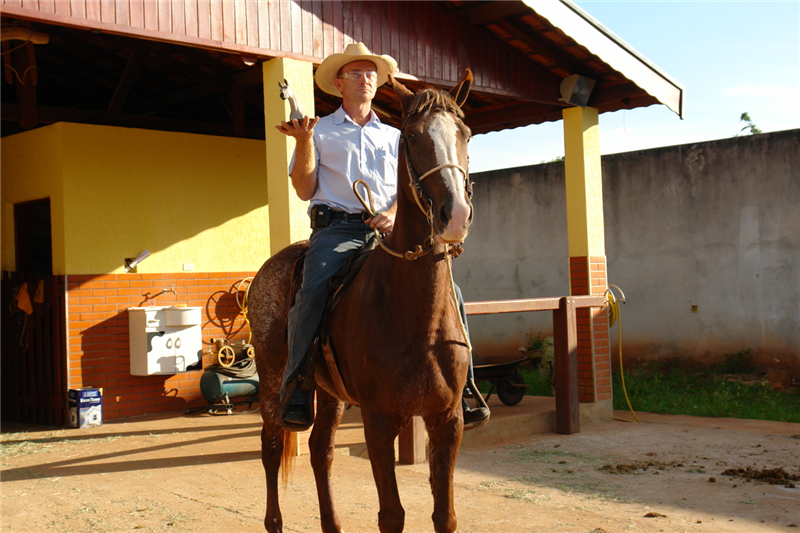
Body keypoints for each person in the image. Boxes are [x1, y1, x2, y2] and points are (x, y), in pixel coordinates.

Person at [275, 42, 489, 432]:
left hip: (390, 231)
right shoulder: (319, 131)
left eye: (371, 73)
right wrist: (303, 142)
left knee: (451, 292)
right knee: (315, 289)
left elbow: (408, 187)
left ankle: (467, 384)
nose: (365, 79)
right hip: (337, 230)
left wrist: (391, 214)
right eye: (355, 73)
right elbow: (305, 189)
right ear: (339, 83)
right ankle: (299, 383)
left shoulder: (397, 136)